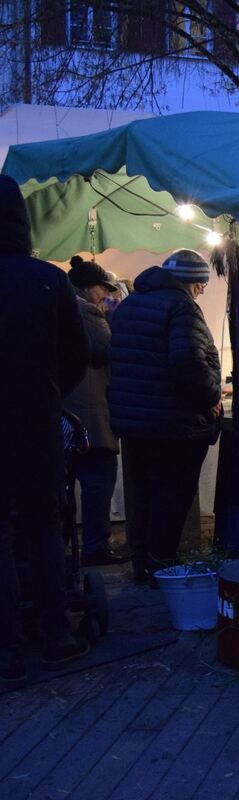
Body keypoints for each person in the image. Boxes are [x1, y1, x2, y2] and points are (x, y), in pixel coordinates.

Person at [0, 175, 91, 679]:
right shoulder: (47, 280)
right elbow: (76, 356)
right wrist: (49, 392)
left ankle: (6, 645)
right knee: (44, 527)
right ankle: (55, 633)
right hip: (35, 420)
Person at [109, 249, 222, 586]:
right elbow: (188, 364)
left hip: (134, 422)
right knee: (171, 498)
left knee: (143, 495)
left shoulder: (130, 305)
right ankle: (163, 568)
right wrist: (211, 396)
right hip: (173, 424)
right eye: (202, 285)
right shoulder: (181, 306)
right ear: (195, 283)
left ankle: (142, 565)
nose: (201, 292)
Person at [64, 256, 128, 566]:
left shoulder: (57, 307)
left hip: (61, 417)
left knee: (63, 489)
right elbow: (107, 351)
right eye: (105, 290)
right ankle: (95, 548)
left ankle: (63, 547)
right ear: (90, 288)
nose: (107, 296)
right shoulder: (87, 312)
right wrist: (113, 318)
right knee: (97, 484)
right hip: (88, 418)